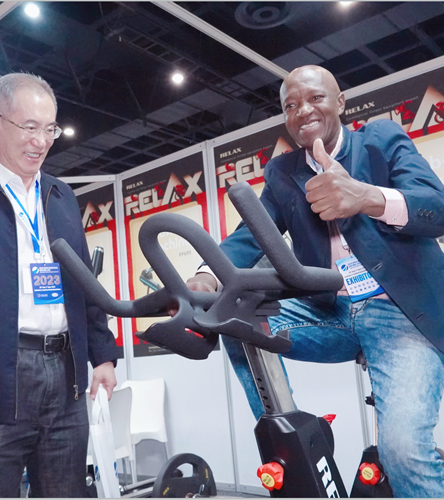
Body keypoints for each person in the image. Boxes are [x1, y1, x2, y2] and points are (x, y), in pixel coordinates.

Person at [187, 65, 444, 497]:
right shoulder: (282, 173)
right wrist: (206, 276)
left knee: (402, 450)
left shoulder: (381, 140)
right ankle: (289, 439)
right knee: (237, 320)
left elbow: (436, 207)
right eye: (291, 105)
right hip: (332, 312)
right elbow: (253, 234)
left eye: (315, 98)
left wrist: (366, 197)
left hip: (399, 312)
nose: (303, 110)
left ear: (340, 102)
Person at [0, 73, 119, 497]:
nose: (41, 141)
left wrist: (102, 354)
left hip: (66, 375)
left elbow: (83, 282)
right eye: (29, 127)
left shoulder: (60, 195)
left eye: (49, 129)